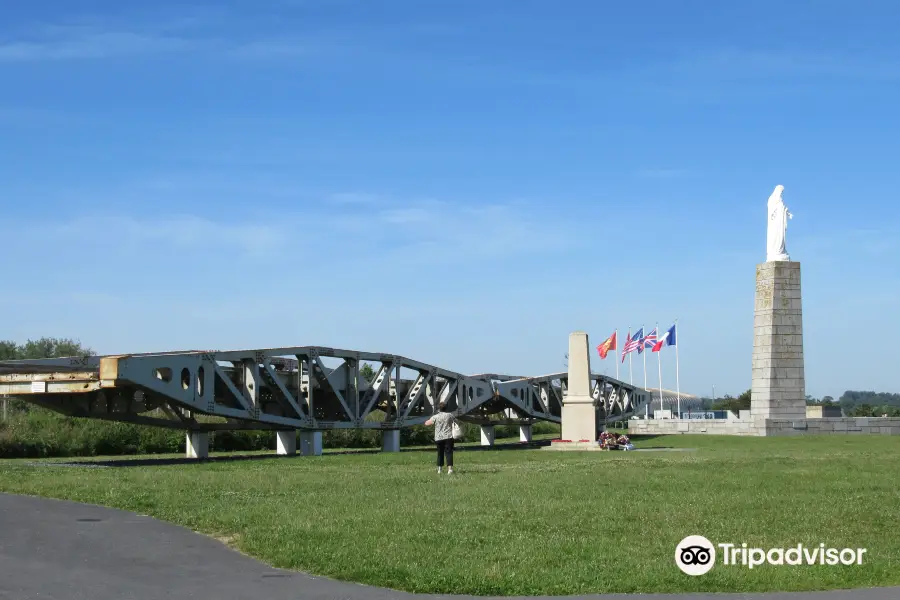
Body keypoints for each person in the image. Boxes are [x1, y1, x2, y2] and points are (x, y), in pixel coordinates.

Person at [425, 401, 458, 474]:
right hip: (448, 437)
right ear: (446, 408)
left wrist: (428, 421)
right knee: (449, 452)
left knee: (440, 453)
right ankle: (450, 469)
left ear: (439, 409)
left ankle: (439, 469)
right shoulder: (450, 415)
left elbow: (427, 423)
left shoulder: (435, 416)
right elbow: (456, 421)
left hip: (438, 437)